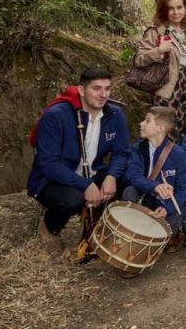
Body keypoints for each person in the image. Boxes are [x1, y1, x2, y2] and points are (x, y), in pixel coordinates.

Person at [27, 68, 131, 253]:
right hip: (54, 179)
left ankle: (96, 231)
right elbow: (48, 163)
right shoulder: (56, 115)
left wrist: (112, 176)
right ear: (82, 90)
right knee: (73, 199)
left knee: (128, 185)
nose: (103, 95)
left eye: (107, 89)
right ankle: (49, 227)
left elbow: (121, 152)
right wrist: (85, 185)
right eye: (96, 88)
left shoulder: (115, 115)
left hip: (92, 172)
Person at [135, 0, 186, 141]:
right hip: (165, 89)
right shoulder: (157, 32)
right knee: (163, 131)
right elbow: (139, 59)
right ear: (164, 10)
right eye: (170, 8)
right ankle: (159, 156)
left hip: (185, 88)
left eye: (179, 7)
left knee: (180, 129)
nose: (175, 12)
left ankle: (174, 156)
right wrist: (159, 50)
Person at [123, 106, 186, 250]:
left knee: (173, 221)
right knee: (129, 192)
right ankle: (134, 230)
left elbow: (184, 189)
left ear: (160, 128)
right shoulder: (138, 148)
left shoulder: (178, 153)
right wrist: (155, 186)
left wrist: (167, 208)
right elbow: (133, 176)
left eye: (147, 121)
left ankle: (170, 233)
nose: (141, 123)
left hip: (164, 203)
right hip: (144, 197)